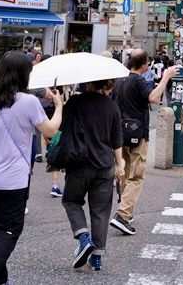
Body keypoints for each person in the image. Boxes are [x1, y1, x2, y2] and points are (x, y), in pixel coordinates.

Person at [0, 51, 61, 285]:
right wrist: (60, 106)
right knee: (10, 230)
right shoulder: (29, 101)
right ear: (23, 75)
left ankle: (0, 279)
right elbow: (50, 131)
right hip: (13, 180)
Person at [109, 49, 178, 235]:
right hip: (137, 134)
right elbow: (154, 98)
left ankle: (125, 211)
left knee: (124, 173)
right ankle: (123, 215)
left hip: (119, 134)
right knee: (137, 175)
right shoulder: (138, 80)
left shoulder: (120, 81)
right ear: (144, 65)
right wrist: (166, 77)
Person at [59, 78, 125, 272]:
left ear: (88, 83)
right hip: (105, 164)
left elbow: (62, 127)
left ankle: (83, 237)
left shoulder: (75, 102)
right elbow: (116, 140)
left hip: (79, 162)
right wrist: (119, 165)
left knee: (71, 200)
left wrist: (60, 102)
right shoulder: (112, 107)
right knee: (101, 210)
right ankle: (96, 258)